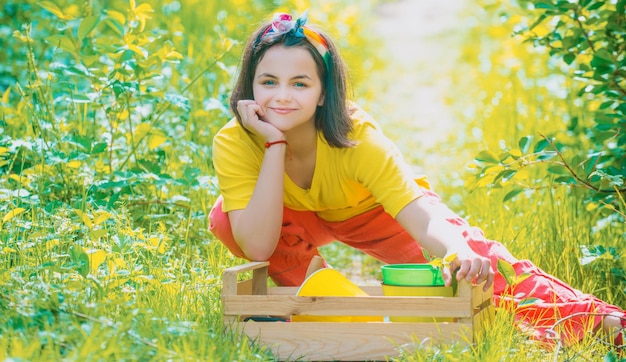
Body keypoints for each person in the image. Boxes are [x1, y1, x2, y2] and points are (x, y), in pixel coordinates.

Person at [209, 10, 624, 350]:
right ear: (250, 86)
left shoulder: (355, 138)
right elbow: (257, 244)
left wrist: (458, 250)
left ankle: (597, 320)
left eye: (299, 83)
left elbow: (420, 215)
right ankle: (313, 295)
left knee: (475, 267)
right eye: (268, 82)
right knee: (226, 217)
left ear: (322, 93)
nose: (282, 96)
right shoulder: (235, 141)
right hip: (295, 217)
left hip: (375, 212)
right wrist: (273, 145)